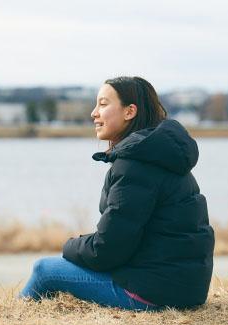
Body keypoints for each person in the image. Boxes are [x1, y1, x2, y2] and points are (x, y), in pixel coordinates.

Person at [19, 76, 215, 311]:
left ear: (129, 111)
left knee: (45, 271)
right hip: (183, 287)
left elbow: (106, 251)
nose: (94, 113)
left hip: (155, 291)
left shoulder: (136, 165)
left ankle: (11, 320)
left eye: (103, 104)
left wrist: (70, 246)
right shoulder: (157, 154)